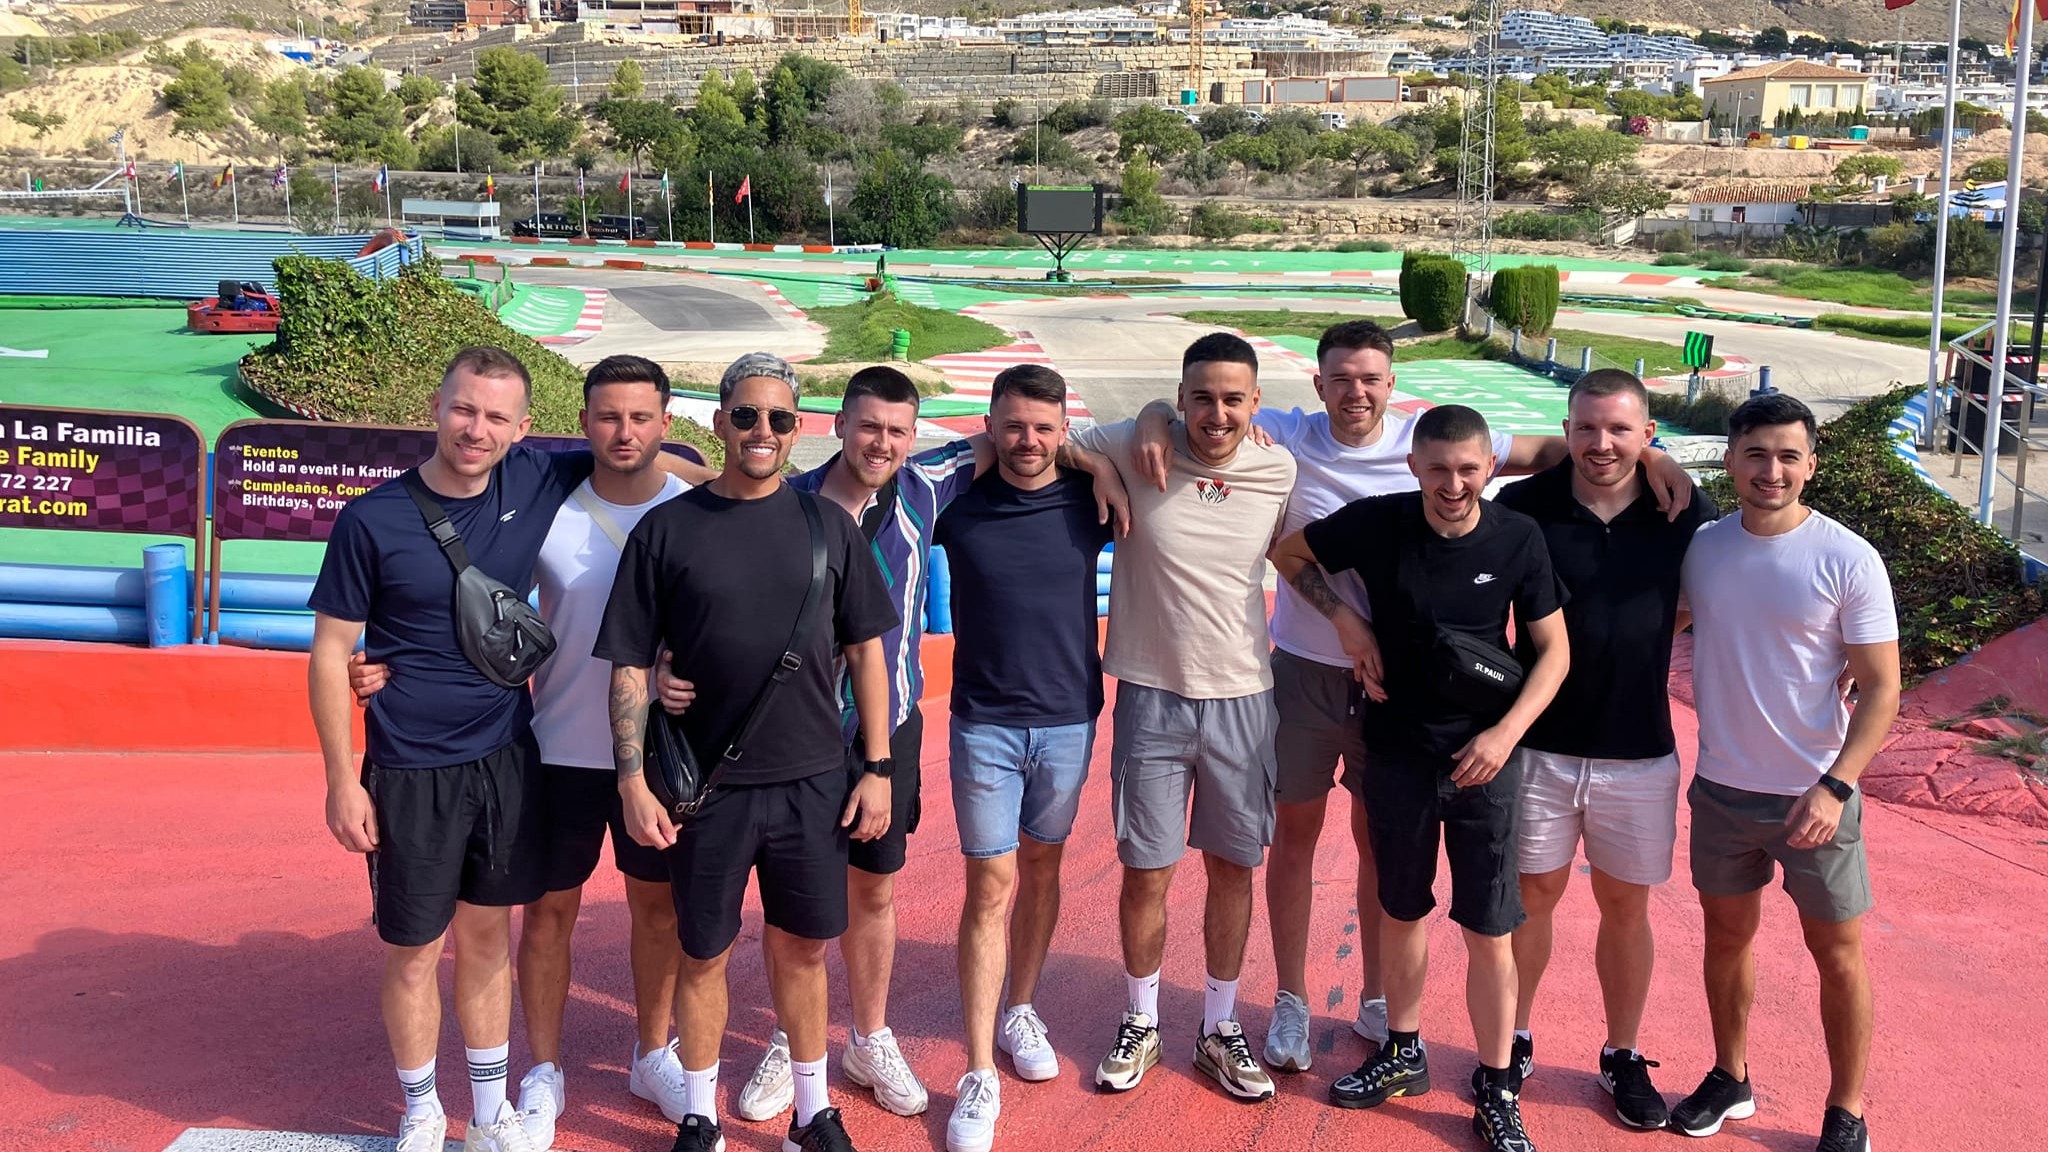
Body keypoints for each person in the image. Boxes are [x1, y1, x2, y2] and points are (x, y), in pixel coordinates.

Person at [1130, 321, 1692, 1075]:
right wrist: (1345, 620)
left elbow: (1558, 446)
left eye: (1371, 378)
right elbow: (1190, 414)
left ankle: (1377, 997)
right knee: (1293, 837)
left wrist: (1648, 452)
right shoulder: (1289, 434)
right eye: (1340, 378)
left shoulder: (1425, 444)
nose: (1355, 392)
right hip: (1307, 666)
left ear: (1392, 384)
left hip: (1407, 692)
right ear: (1317, 384)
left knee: (1379, 844)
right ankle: (1292, 997)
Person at [656, 366, 1126, 1126]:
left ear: (914, 436)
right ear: (835, 425)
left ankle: (868, 1036)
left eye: (896, 430)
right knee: (792, 904)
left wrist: (1095, 461)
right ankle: (789, 1034)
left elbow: (1017, 435)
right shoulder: (789, 499)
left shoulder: (928, 482)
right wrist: (662, 665)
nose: (881, 442)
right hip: (792, 733)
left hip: (889, 726)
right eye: (867, 426)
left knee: (875, 888)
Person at [309, 346, 707, 1152]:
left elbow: (655, 456)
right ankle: (429, 1106)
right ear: (435, 405)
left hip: (506, 752)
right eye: (464, 409)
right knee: (418, 947)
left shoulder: (538, 479)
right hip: (427, 762)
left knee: (494, 936)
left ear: (524, 429)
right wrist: (339, 778)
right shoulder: (372, 519)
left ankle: (494, 1110)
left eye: (496, 417)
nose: (476, 428)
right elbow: (327, 651)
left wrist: (744, 481)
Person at [599, 351, 901, 1152]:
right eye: (745, 415)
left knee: (803, 950)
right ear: (719, 419)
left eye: (778, 419)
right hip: (707, 788)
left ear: (798, 430)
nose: (761, 431)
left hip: (811, 781)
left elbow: (868, 653)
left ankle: (812, 1111)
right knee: (703, 952)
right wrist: (631, 778)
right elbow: (631, 661)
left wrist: (877, 769)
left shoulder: (827, 525)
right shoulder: (667, 530)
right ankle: (700, 1114)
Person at [1270, 403, 1569, 1152]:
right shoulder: (1377, 521)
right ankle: (1403, 1050)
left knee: (1490, 928)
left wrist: (1505, 736)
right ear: (1413, 466)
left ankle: (1497, 1086)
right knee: (1401, 908)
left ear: (1490, 469)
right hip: (1399, 751)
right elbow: (1289, 554)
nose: (1454, 484)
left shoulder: (1517, 538)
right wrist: (1347, 621)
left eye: (1469, 469)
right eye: (1438, 468)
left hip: (1484, 761)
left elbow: (1553, 653)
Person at [1069, 332, 1296, 1103]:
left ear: (1255, 403)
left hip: (1242, 696)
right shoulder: (1140, 441)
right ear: (1181, 396)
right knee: (1147, 869)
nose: (1217, 413)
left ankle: (1220, 1028)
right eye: (1201, 397)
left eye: (1234, 399)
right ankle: (1142, 1021)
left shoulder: (1278, 466)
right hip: (1151, 693)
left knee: (1234, 869)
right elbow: (1053, 437)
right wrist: (1112, 450)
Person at [1669, 393, 1898, 1152]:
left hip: (1815, 798)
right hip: (1723, 790)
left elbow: (1882, 687)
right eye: (1757, 454)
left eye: (1789, 455)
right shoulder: (1703, 548)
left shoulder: (1847, 557)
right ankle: (1730, 1077)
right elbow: (1656, 622)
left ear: (1811, 465)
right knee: (1726, 939)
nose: (1773, 470)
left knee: (1837, 954)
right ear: (1730, 460)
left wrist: (1836, 786)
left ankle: (1847, 1111)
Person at [1492, 369, 1717, 1128]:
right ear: (1567, 428)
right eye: (1586, 428)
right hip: (1542, 747)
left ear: (1648, 434)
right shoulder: (1525, 507)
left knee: (1626, 906)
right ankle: (1513, 1039)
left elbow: (1712, 593)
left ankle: (1622, 1052)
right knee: (1533, 899)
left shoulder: (1681, 510)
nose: (1601, 443)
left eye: (1620, 429)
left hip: (1639, 749)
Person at [932, 365, 1119, 1152]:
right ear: (990, 423)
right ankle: (978, 1073)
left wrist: (1094, 461)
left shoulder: (1090, 500)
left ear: (1062, 428)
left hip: (1071, 721)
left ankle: (1020, 1008)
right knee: (990, 882)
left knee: (1044, 866)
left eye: (1045, 428)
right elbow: (876, 480)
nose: (1029, 441)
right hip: (984, 724)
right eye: (1013, 426)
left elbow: (1161, 444)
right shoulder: (957, 502)